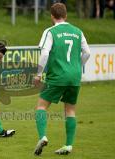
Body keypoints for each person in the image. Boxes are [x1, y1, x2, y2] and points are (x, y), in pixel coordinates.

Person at [33, 3, 90, 155]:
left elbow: (44, 54)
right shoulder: (78, 31)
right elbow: (87, 53)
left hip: (58, 76)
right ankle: (68, 145)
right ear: (66, 15)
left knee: (41, 107)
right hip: (75, 76)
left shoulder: (50, 31)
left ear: (52, 16)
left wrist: (38, 74)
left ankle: (43, 137)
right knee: (70, 110)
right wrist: (78, 66)